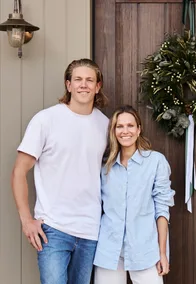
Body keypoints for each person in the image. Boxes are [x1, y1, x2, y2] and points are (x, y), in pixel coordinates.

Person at [11, 58, 109, 284]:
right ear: (68, 85)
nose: (83, 85)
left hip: (91, 230)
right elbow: (19, 172)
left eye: (89, 80)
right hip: (53, 228)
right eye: (78, 79)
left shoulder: (105, 125)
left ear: (97, 86)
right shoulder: (46, 120)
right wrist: (27, 220)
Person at [93, 105, 175, 284]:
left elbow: (162, 211)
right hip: (109, 251)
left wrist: (162, 253)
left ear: (139, 129)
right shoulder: (104, 168)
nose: (125, 131)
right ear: (113, 131)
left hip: (145, 250)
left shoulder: (156, 162)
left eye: (130, 126)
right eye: (119, 126)